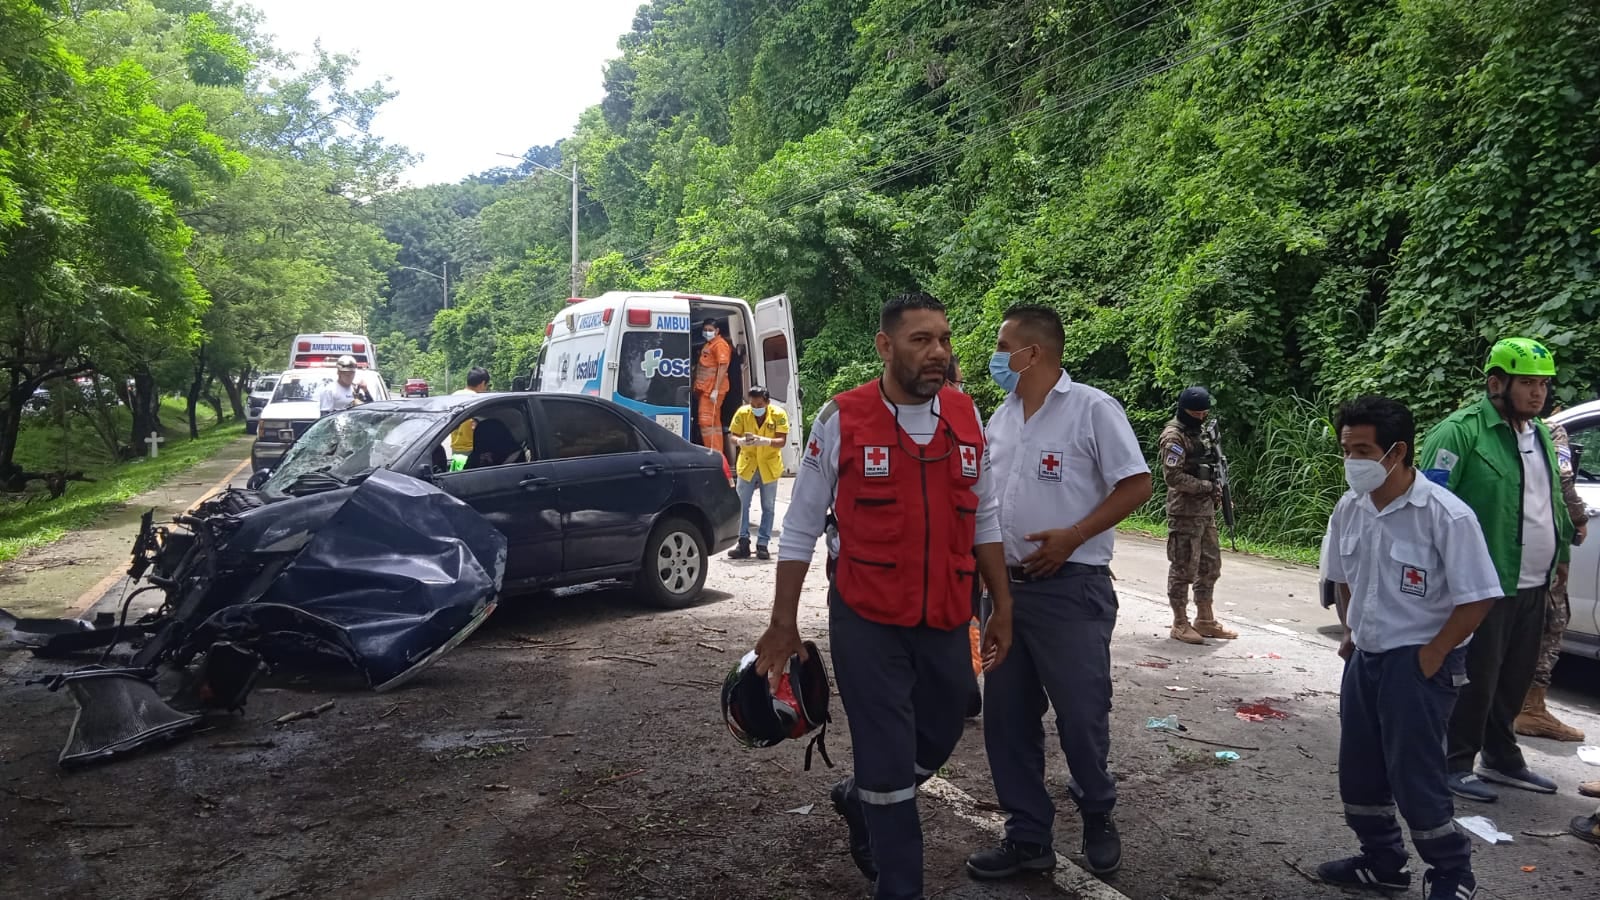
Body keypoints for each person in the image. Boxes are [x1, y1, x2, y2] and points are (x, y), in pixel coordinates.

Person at [754, 291, 1015, 900]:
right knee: (886, 751)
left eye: (944, 340)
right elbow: (800, 525)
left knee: (950, 718)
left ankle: (858, 795)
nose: (938, 353)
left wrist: (1002, 605)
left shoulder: (966, 416)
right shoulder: (842, 419)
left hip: (949, 612)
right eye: (921, 340)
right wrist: (782, 621)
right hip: (866, 615)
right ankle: (900, 885)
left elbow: (985, 516)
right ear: (885, 346)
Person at [967, 304, 1152, 881]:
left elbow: (1138, 483)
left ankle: (1096, 809)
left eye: (1004, 348)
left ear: (1034, 353)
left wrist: (1073, 536)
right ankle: (1028, 837)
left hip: (1071, 589)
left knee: (1081, 713)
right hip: (1005, 592)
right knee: (1006, 716)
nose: (996, 359)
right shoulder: (997, 421)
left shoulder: (1092, 410)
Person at [1318, 395, 1500, 900]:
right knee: (1359, 772)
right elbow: (1341, 577)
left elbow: (1479, 596)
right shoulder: (1349, 508)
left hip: (1418, 660)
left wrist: (1433, 654)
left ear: (1396, 452)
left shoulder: (1444, 515)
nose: (1352, 462)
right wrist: (1351, 632)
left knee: (1416, 777)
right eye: (1346, 449)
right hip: (1366, 656)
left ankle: (1451, 873)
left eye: (1362, 450)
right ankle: (1383, 864)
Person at [1418, 337, 1575, 803]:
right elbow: (1430, 505)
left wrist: (1561, 553)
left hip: (1533, 580)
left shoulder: (1541, 434)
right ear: (1496, 382)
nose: (1537, 394)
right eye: (1527, 383)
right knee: (1476, 678)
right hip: (1482, 582)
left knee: (1514, 675)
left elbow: (1550, 502)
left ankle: (1503, 757)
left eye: (1543, 385)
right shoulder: (1460, 432)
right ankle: (1453, 762)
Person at [1513, 412, 1588, 741]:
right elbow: (1563, 477)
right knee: (1553, 620)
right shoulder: (1547, 430)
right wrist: (1579, 515)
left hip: (1515, 541)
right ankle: (1531, 709)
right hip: (1540, 546)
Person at [1157, 386, 1238, 644]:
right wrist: (1206, 487)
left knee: (1210, 565)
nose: (1201, 417)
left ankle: (1205, 618)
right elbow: (1173, 476)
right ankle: (1179, 622)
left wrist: (1219, 492)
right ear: (1185, 411)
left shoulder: (1200, 433)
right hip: (1184, 512)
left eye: (1205, 412)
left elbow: (1211, 467)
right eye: (1196, 412)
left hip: (1205, 512)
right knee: (1183, 567)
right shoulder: (1174, 437)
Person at [727, 385, 789, 560]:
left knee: (768, 507)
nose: (756, 409)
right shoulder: (743, 413)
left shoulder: (778, 414)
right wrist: (739, 441)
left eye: (759, 405)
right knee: (741, 506)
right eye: (753, 405)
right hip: (748, 464)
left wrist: (766, 441)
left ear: (767, 402)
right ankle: (743, 542)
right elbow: (732, 436)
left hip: (769, 466)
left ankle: (763, 544)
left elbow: (782, 441)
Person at [694, 318, 732, 457]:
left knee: (706, 422)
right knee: (713, 424)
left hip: (713, 390)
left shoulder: (719, 345)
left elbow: (723, 366)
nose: (707, 332)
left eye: (710, 330)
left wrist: (715, 390)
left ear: (717, 331)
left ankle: (713, 455)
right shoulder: (709, 344)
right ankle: (717, 454)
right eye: (705, 330)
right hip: (707, 389)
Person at [448, 367, 491, 472]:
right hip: (470, 449)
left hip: (456, 446)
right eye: (487, 385)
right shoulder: (477, 399)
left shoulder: (454, 395)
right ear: (482, 383)